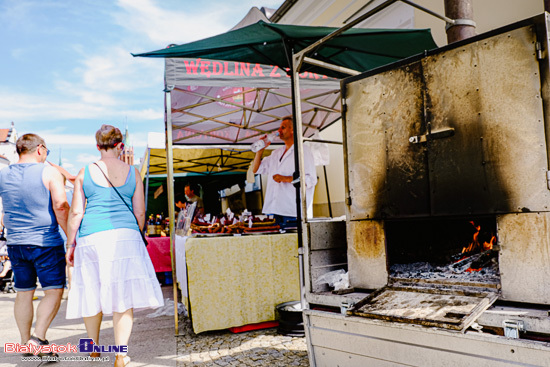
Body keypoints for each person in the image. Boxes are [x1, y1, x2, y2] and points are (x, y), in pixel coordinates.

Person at [65, 125, 163, 367]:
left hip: (91, 237)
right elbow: (140, 212)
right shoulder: (133, 173)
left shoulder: (84, 172)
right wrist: (134, 230)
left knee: (91, 291)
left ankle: (94, 349)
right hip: (125, 237)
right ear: (121, 146)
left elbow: (76, 212)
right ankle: (120, 355)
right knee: (123, 296)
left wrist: (70, 243)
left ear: (97, 146)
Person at [0, 134, 69, 352]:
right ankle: (37, 339)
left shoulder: (3, 174)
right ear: (39, 149)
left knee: (24, 292)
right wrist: (71, 236)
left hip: (15, 243)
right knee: (54, 290)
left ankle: (24, 341)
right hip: (45, 242)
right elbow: (61, 205)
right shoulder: (49, 172)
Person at [252, 115, 317, 228]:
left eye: (283, 127)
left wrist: (286, 178)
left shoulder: (303, 151)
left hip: (291, 212)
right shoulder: (276, 153)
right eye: (279, 128)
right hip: (273, 210)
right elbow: (256, 169)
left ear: (293, 130)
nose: (279, 131)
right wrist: (259, 151)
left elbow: (311, 179)